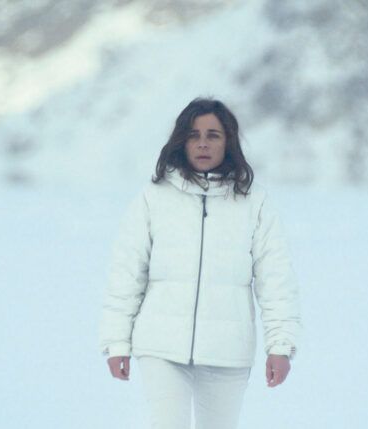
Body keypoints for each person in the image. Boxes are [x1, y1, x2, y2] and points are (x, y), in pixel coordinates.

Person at [98, 97, 302, 429]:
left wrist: (280, 344)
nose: (203, 143)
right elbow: (126, 275)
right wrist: (116, 342)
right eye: (194, 135)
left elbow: (276, 279)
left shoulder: (254, 202)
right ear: (182, 141)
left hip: (227, 351)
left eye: (213, 135)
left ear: (228, 142)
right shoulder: (154, 198)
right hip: (161, 346)